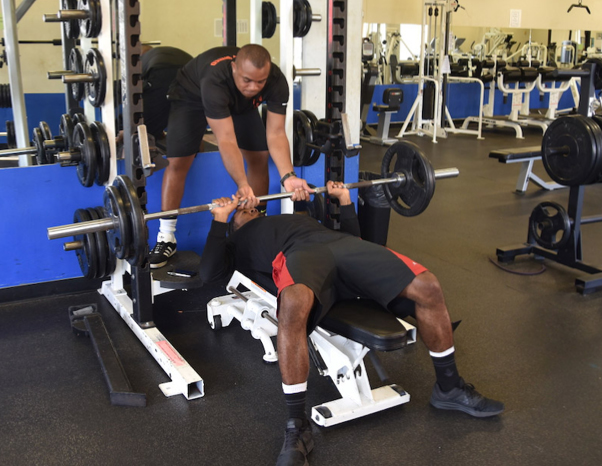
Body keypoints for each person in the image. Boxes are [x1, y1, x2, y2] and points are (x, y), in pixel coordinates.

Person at [200, 183, 505, 466]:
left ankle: (449, 389)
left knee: (428, 285)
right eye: (241, 210)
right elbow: (209, 275)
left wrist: (345, 202)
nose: (249, 207)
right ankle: (297, 425)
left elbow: (354, 238)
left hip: (341, 244)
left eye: (252, 206)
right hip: (299, 254)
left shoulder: (293, 217)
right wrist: (220, 220)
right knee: (293, 304)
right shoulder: (235, 243)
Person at [149, 44, 311, 268]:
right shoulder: (214, 80)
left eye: (260, 82)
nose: (254, 87)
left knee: (259, 155)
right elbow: (226, 139)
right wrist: (242, 183)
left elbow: (275, 133)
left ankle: (255, 223)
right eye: (247, 80)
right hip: (191, 95)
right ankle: (166, 236)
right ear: (234, 68)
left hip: (239, 104)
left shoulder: (275, 80)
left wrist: (288, 176)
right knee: (178, 162)